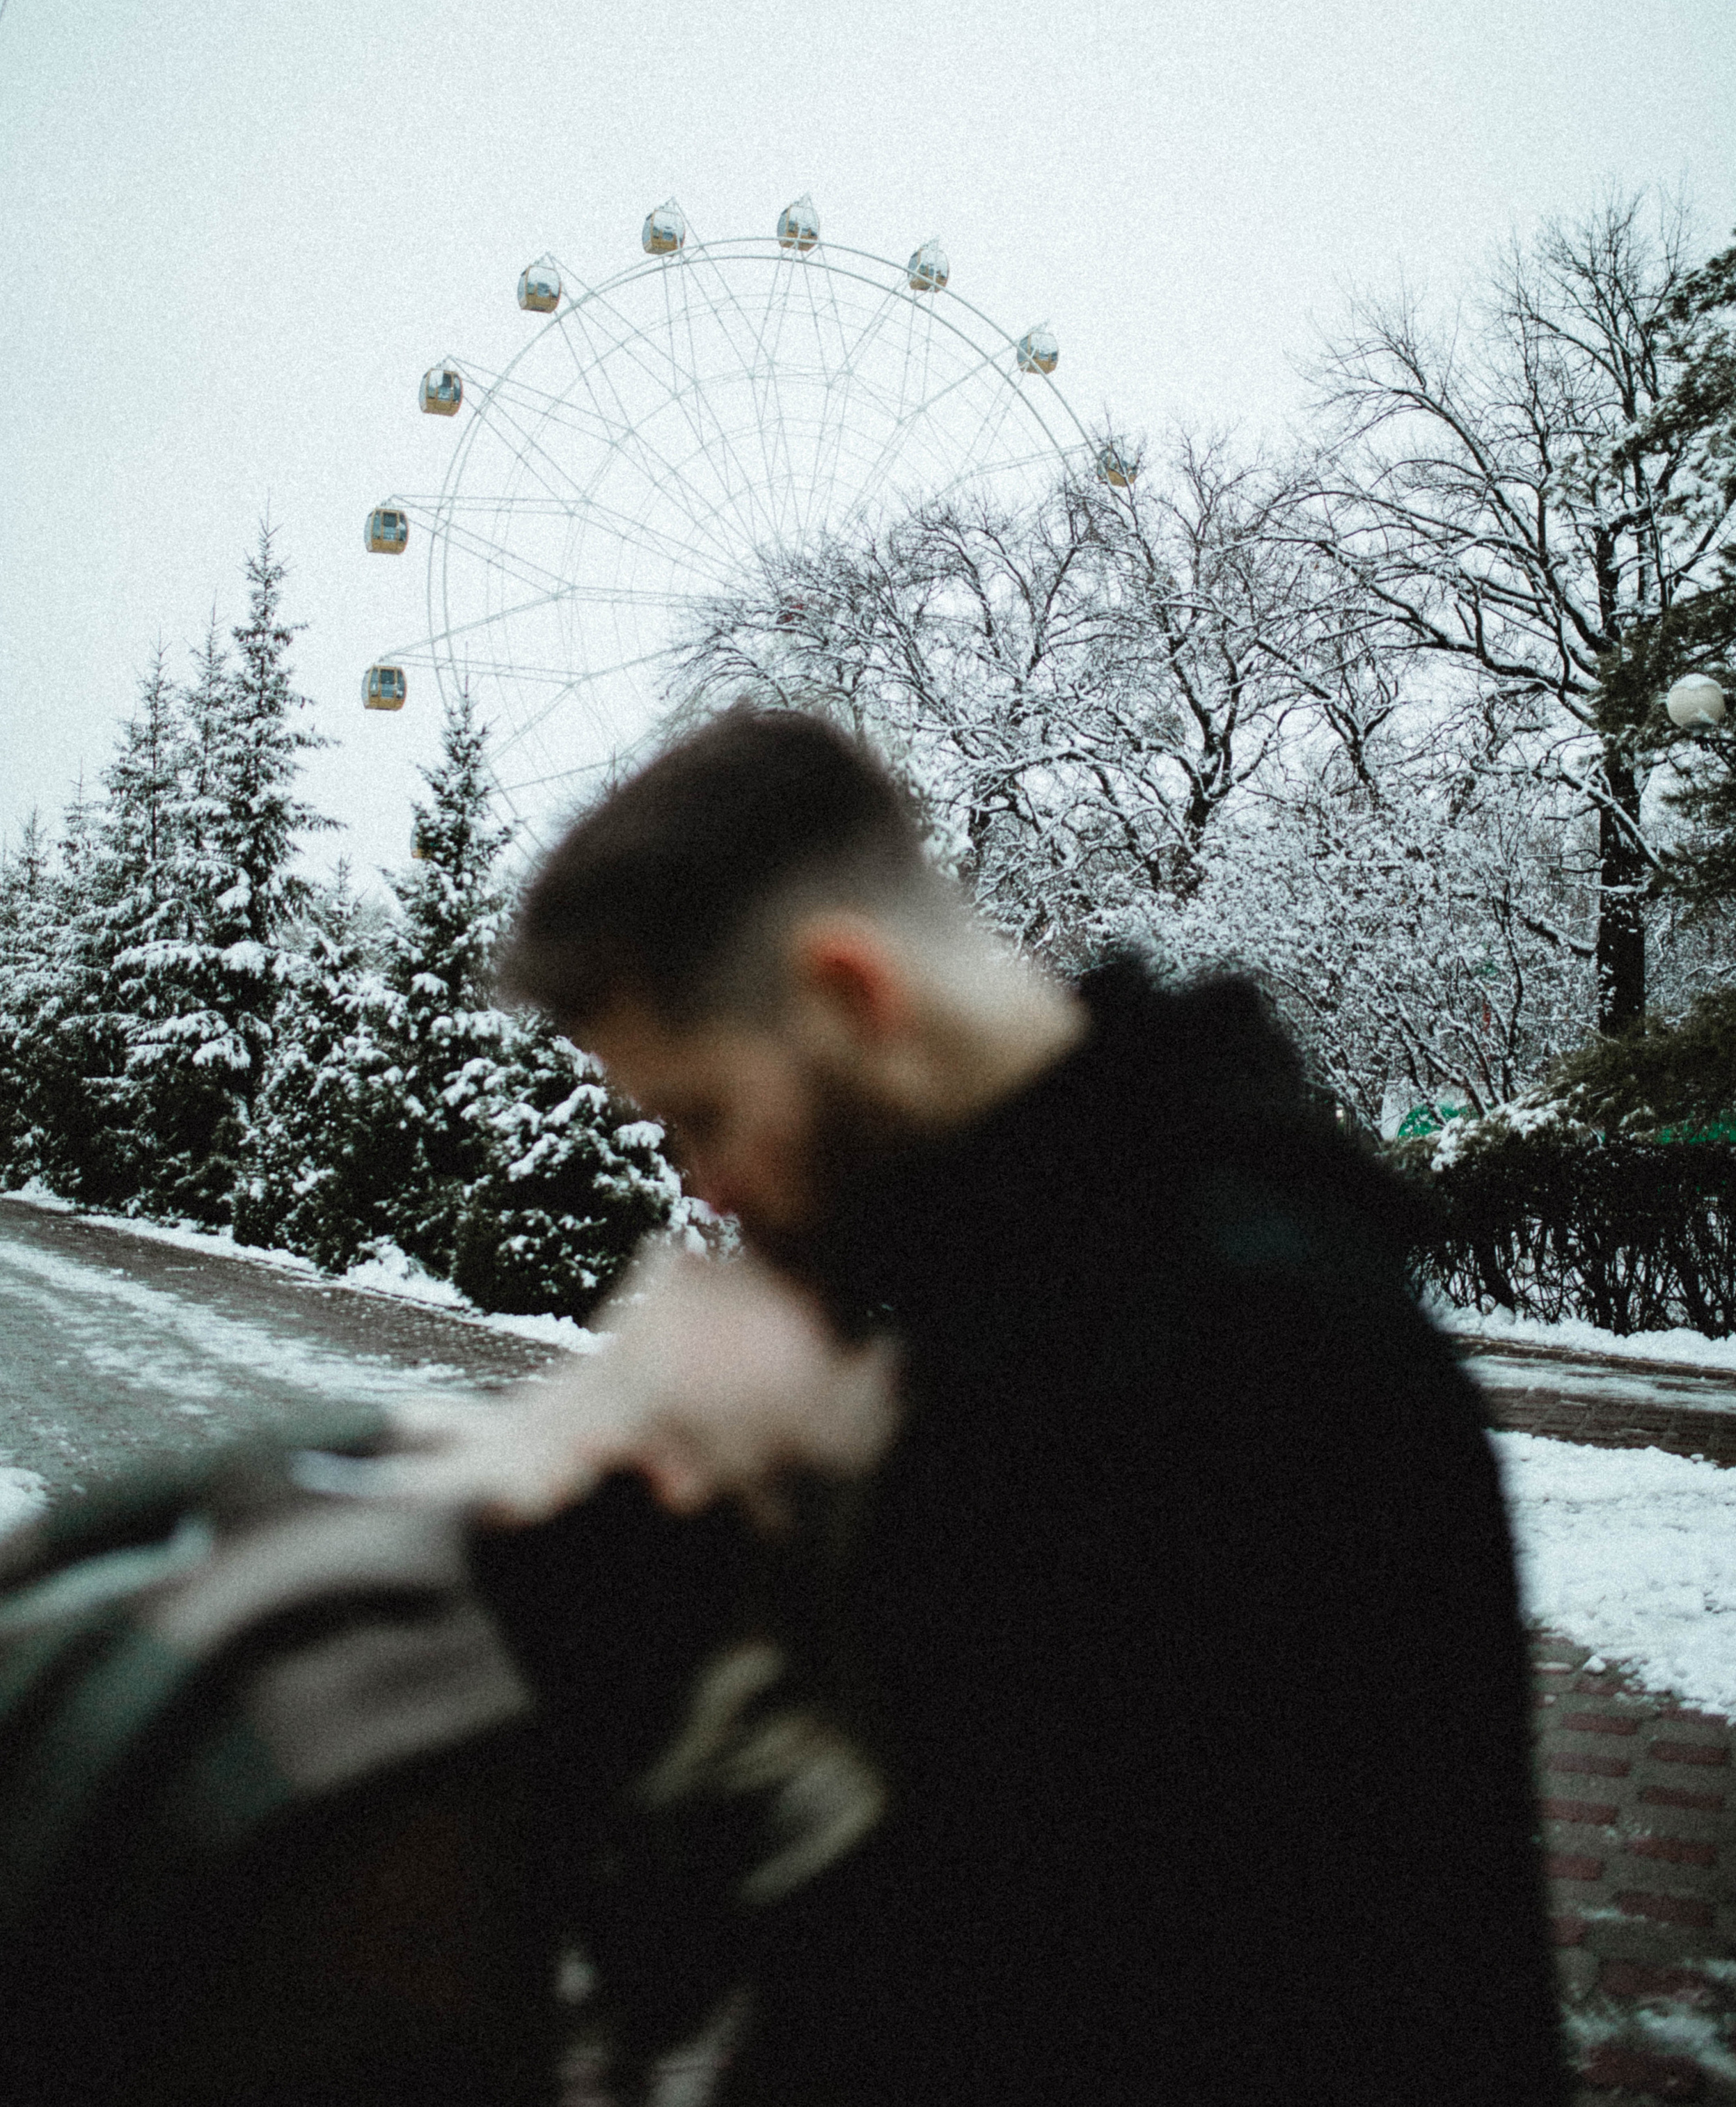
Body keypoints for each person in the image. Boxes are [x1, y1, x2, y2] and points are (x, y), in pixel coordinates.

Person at [404, 705, 1567, 2106]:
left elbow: (1011, 1986)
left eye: (701, 1116)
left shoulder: (1220, 1361)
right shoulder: (1041, 1278)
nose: (701, 1186)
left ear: (848, 992)